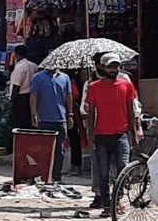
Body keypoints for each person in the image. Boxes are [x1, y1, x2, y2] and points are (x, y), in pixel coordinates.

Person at [84, 56, 144, 209]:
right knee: (103, 173)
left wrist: (135, 131)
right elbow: (91, 113)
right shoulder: (94, 87)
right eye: (111, 67)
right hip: (101, 136)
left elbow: (131, 110)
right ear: (103, 68)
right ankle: (106, 204)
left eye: (116, 67)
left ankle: (117, 200)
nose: (114, 70)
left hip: (121, 135)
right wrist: (90, 135)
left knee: (123, 168)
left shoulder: (126, 85)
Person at [29, 62, 72, 183]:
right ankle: (44, 175)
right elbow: (33, 95)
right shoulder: (38, 77)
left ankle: (56, 176)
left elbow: (68, 96)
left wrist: (70, 114)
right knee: (44, 149)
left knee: (60, 149)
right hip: (44, 119)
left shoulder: (65, 77)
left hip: (60, 118)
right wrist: (34, 113)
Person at [6, 44, 38, 132]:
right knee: (29, 121)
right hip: (31, 96)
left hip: (21, 98)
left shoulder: (19, 68)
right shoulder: (34, 66)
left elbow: (16, 86)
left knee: (20, 122)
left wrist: (12, 101)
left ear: (16, 55)